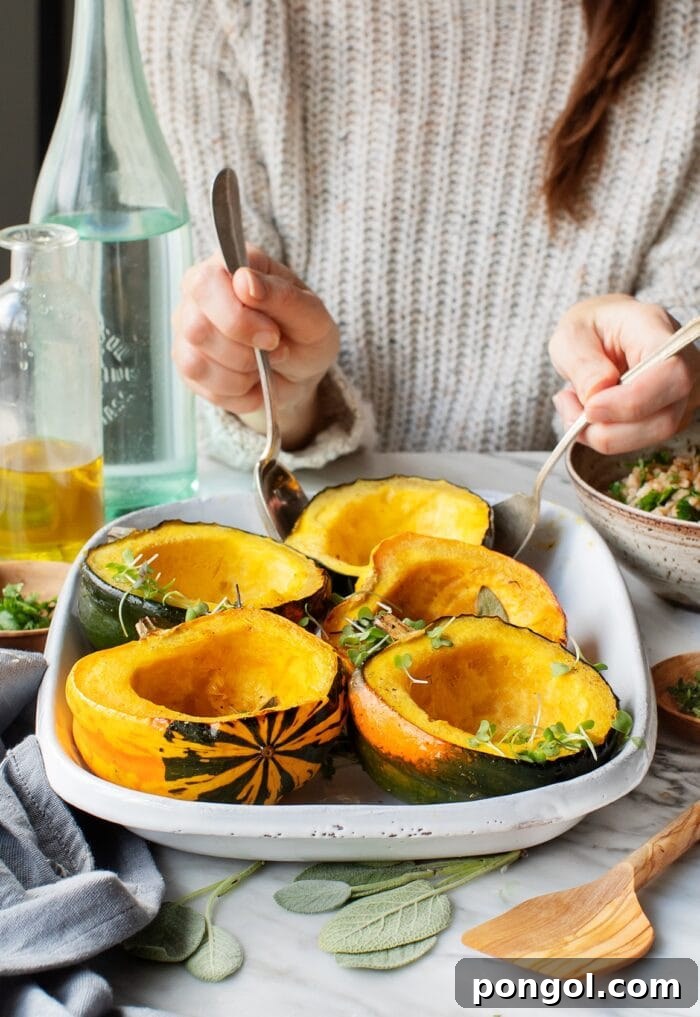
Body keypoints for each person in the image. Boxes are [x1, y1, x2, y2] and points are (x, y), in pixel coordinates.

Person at [134, 0, 700, 470]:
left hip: (598, 554)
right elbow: (230, 386)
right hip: (285, 524)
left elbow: (673, 426)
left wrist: (652, 383)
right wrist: (280, 389)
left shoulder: (683, 25)